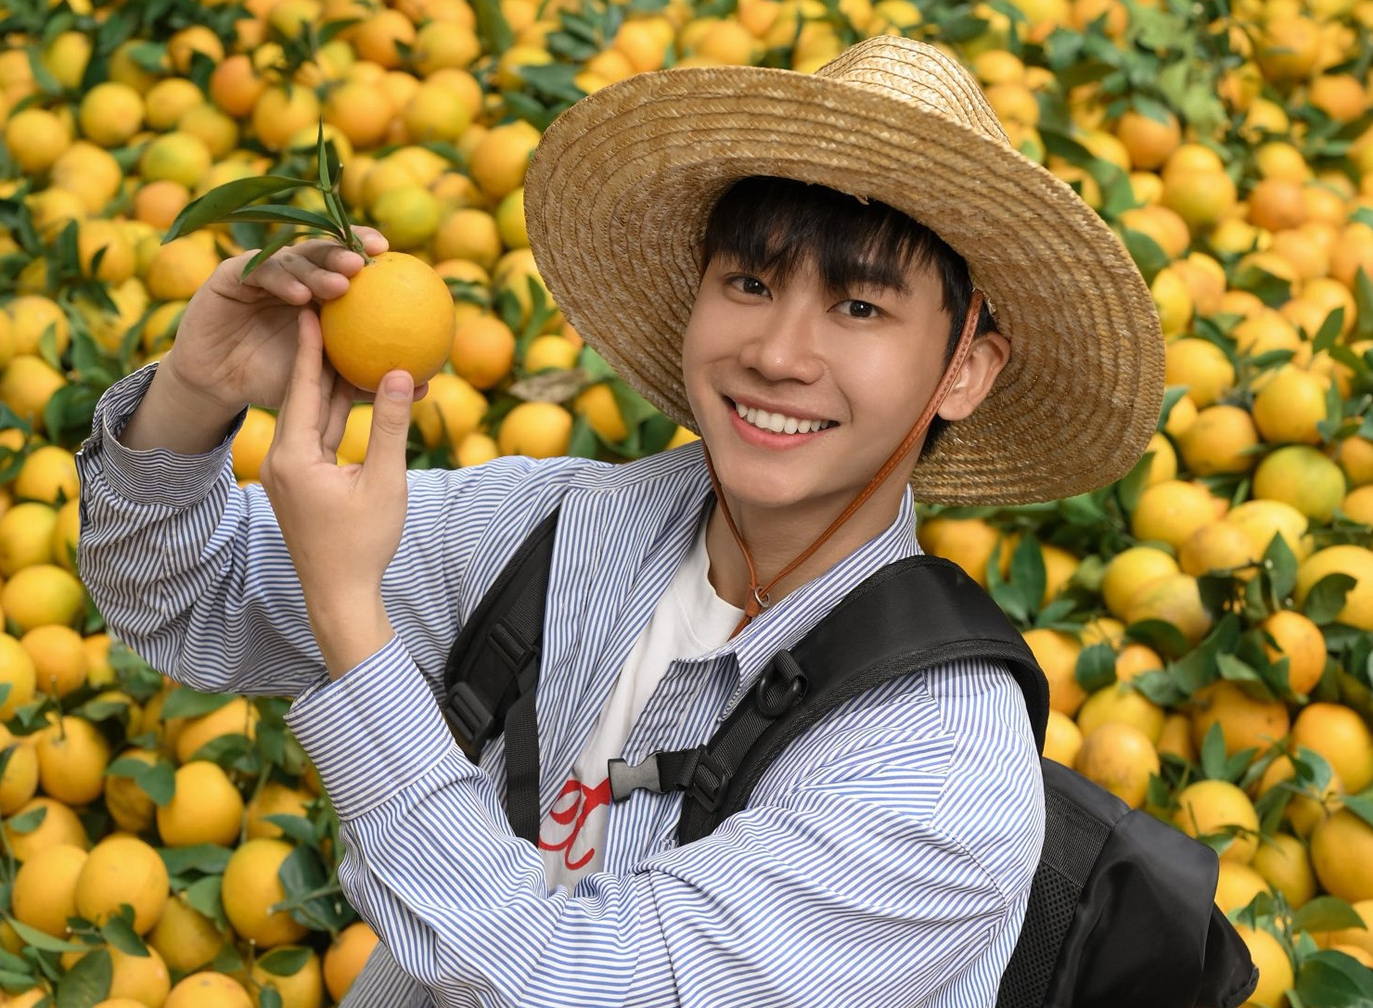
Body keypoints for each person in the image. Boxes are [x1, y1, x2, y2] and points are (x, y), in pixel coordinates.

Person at [77, 34, 1164, 1008]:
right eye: (748, 281)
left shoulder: (937, 777)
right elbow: (182, 596)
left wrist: (351, 619)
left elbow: (574, 983)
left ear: (965, 368)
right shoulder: (556, 533)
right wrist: (197, 390)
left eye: (859, 306)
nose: (778, 354)